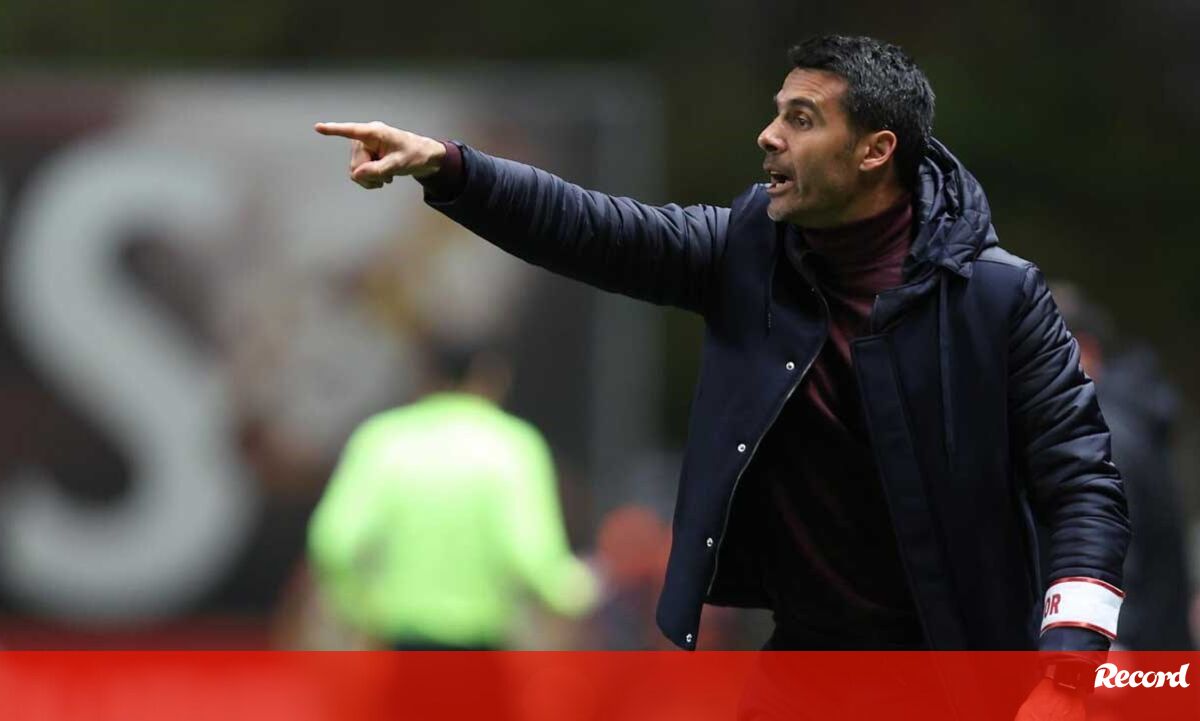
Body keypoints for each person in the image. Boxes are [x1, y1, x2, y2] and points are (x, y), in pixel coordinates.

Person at [315, 33, 1129, 710]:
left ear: (876, 150)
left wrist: (1067, 670)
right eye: (776, 112)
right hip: (802, 667)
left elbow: (1084, 484)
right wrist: (448, 166)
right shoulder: (746, 252)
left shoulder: (997, 296)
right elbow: (591, 227)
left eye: (801, 118)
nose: (769, 135)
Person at [306, 340, 597, 650]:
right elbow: (531, 555)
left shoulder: (382, 441)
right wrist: (579, 591)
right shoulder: (512, 446)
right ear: (491, 377)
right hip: (479, 645)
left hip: (397, 644)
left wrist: (358, 607)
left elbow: (334, 541)